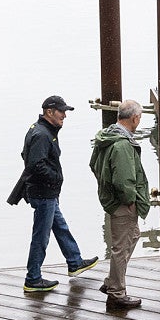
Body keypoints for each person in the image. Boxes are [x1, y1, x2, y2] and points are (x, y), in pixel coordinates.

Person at [14, 95, 98, 293]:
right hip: (43, 193)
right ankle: (33, 278)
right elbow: (35, 164)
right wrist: (55, 178)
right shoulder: (42, 134)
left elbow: (25, 156)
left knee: (60, 226)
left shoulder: (42, 130)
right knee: (41, 237)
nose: (65, 116)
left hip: (46, 192)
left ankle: (75, 262)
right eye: (62, 112)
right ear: (49, 112)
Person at [89, 100, 149, 311]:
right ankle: (116, 294)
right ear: (134, 118)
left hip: (111, 199)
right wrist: (130, 199)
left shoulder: (106, 136)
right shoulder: (122, 144)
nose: (139, 121)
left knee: (132, 237)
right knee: (121, 247)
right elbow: (124, 180)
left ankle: (111, 282)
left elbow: (93, 164)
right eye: (139, 117)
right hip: (123, 203)